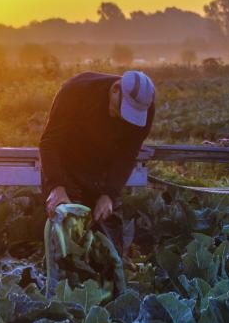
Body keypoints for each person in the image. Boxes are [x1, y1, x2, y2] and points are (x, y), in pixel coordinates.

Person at [39, 71, 155, 264]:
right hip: (66, 166)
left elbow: (127, 155)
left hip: (103, 170)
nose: (123, 119)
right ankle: (61, 286)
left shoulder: (145, 106)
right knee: (66, 235)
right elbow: (49, 143)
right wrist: (56, 186)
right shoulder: (77, 90)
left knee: (110, 243)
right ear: (116, 89)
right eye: (122, 111)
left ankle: (107, 288)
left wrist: (109, 194)